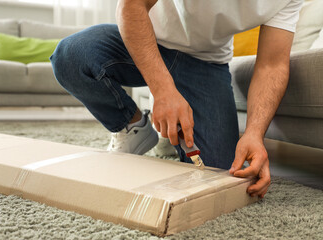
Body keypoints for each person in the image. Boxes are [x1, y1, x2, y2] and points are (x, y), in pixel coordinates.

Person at [50, 0, 303, 198]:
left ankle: (170, 134)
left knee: (220, 174)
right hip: (148, 39)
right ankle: (133, 127)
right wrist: (163, 91)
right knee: (71, 56)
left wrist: (254, 134)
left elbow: (272, 64)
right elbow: (132, 5)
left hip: (206, 63)